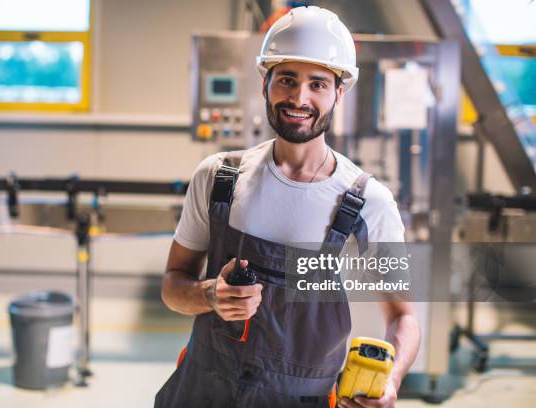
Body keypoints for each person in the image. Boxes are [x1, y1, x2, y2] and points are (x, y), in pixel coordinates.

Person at [156, 6, 420, 408]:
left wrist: (393, 378)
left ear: (338, 92)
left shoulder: (368, 204)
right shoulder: (218, 178)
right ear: (266, 83)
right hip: (202, 390)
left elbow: (404, 317)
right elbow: (173, 286)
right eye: (287, 80)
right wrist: (211, 294)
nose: (300, 97)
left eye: (318, 84)